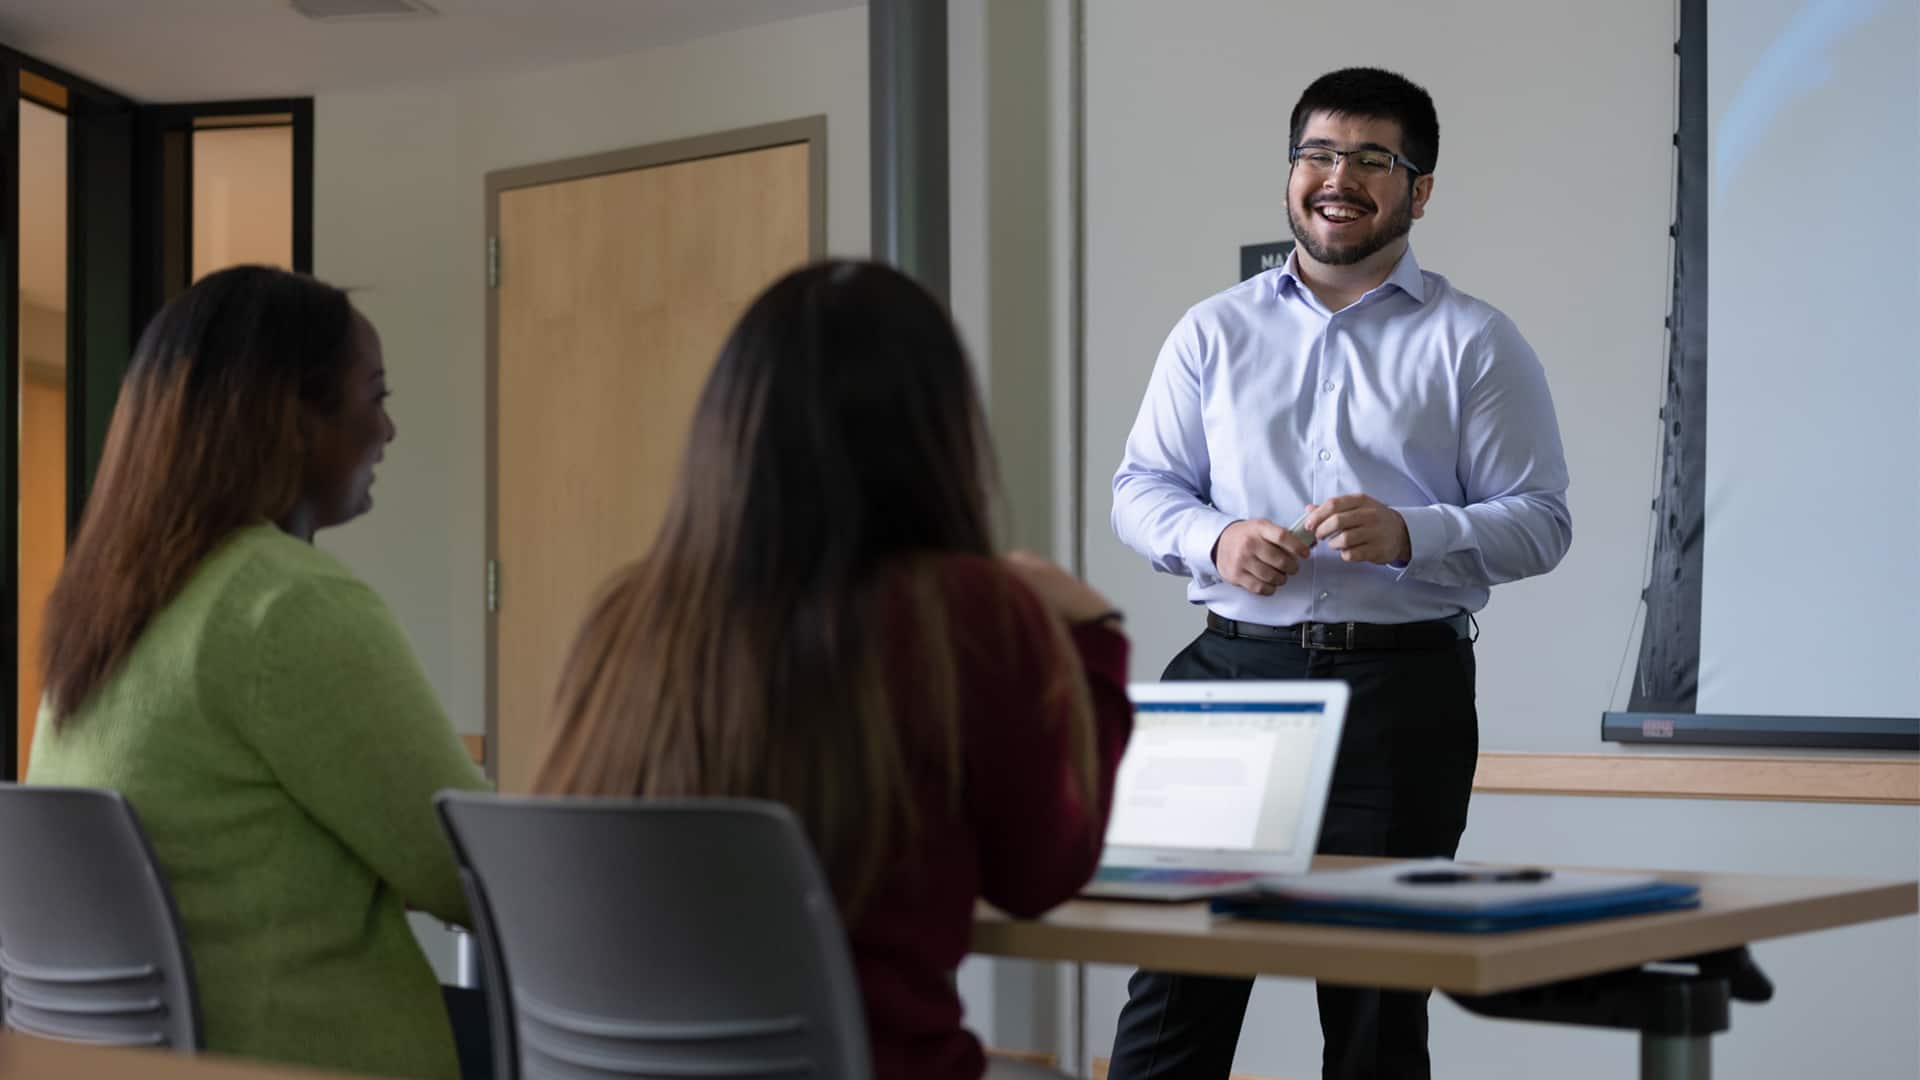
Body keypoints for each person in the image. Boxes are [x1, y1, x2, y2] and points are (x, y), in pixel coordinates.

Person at [531, 259, 1134, 1080]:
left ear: (731, 425)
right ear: (938, 433)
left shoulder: (628, 615)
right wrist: (1096, 641)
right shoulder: (965, 612)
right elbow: (1040, 876)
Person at [1106, 68, 1572, 1080]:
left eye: (1374, 159)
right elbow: (1140, 489)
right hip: (1230, 682)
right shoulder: (1211, 331)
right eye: (1318, 153)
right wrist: (1215, 541)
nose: (1339, 177)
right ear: (1291, 174)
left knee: (1373, 1007)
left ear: (1420, 188)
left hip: (1401, 693)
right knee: (1176, 986)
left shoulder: (1475, 342)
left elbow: (1542, 525)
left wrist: (1417, 532)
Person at [28, 266, 490, 1079]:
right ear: (294, 419)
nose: (387, 430)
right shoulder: (282, 603)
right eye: (373, 396)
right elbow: (471, 875)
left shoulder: (98, 610)